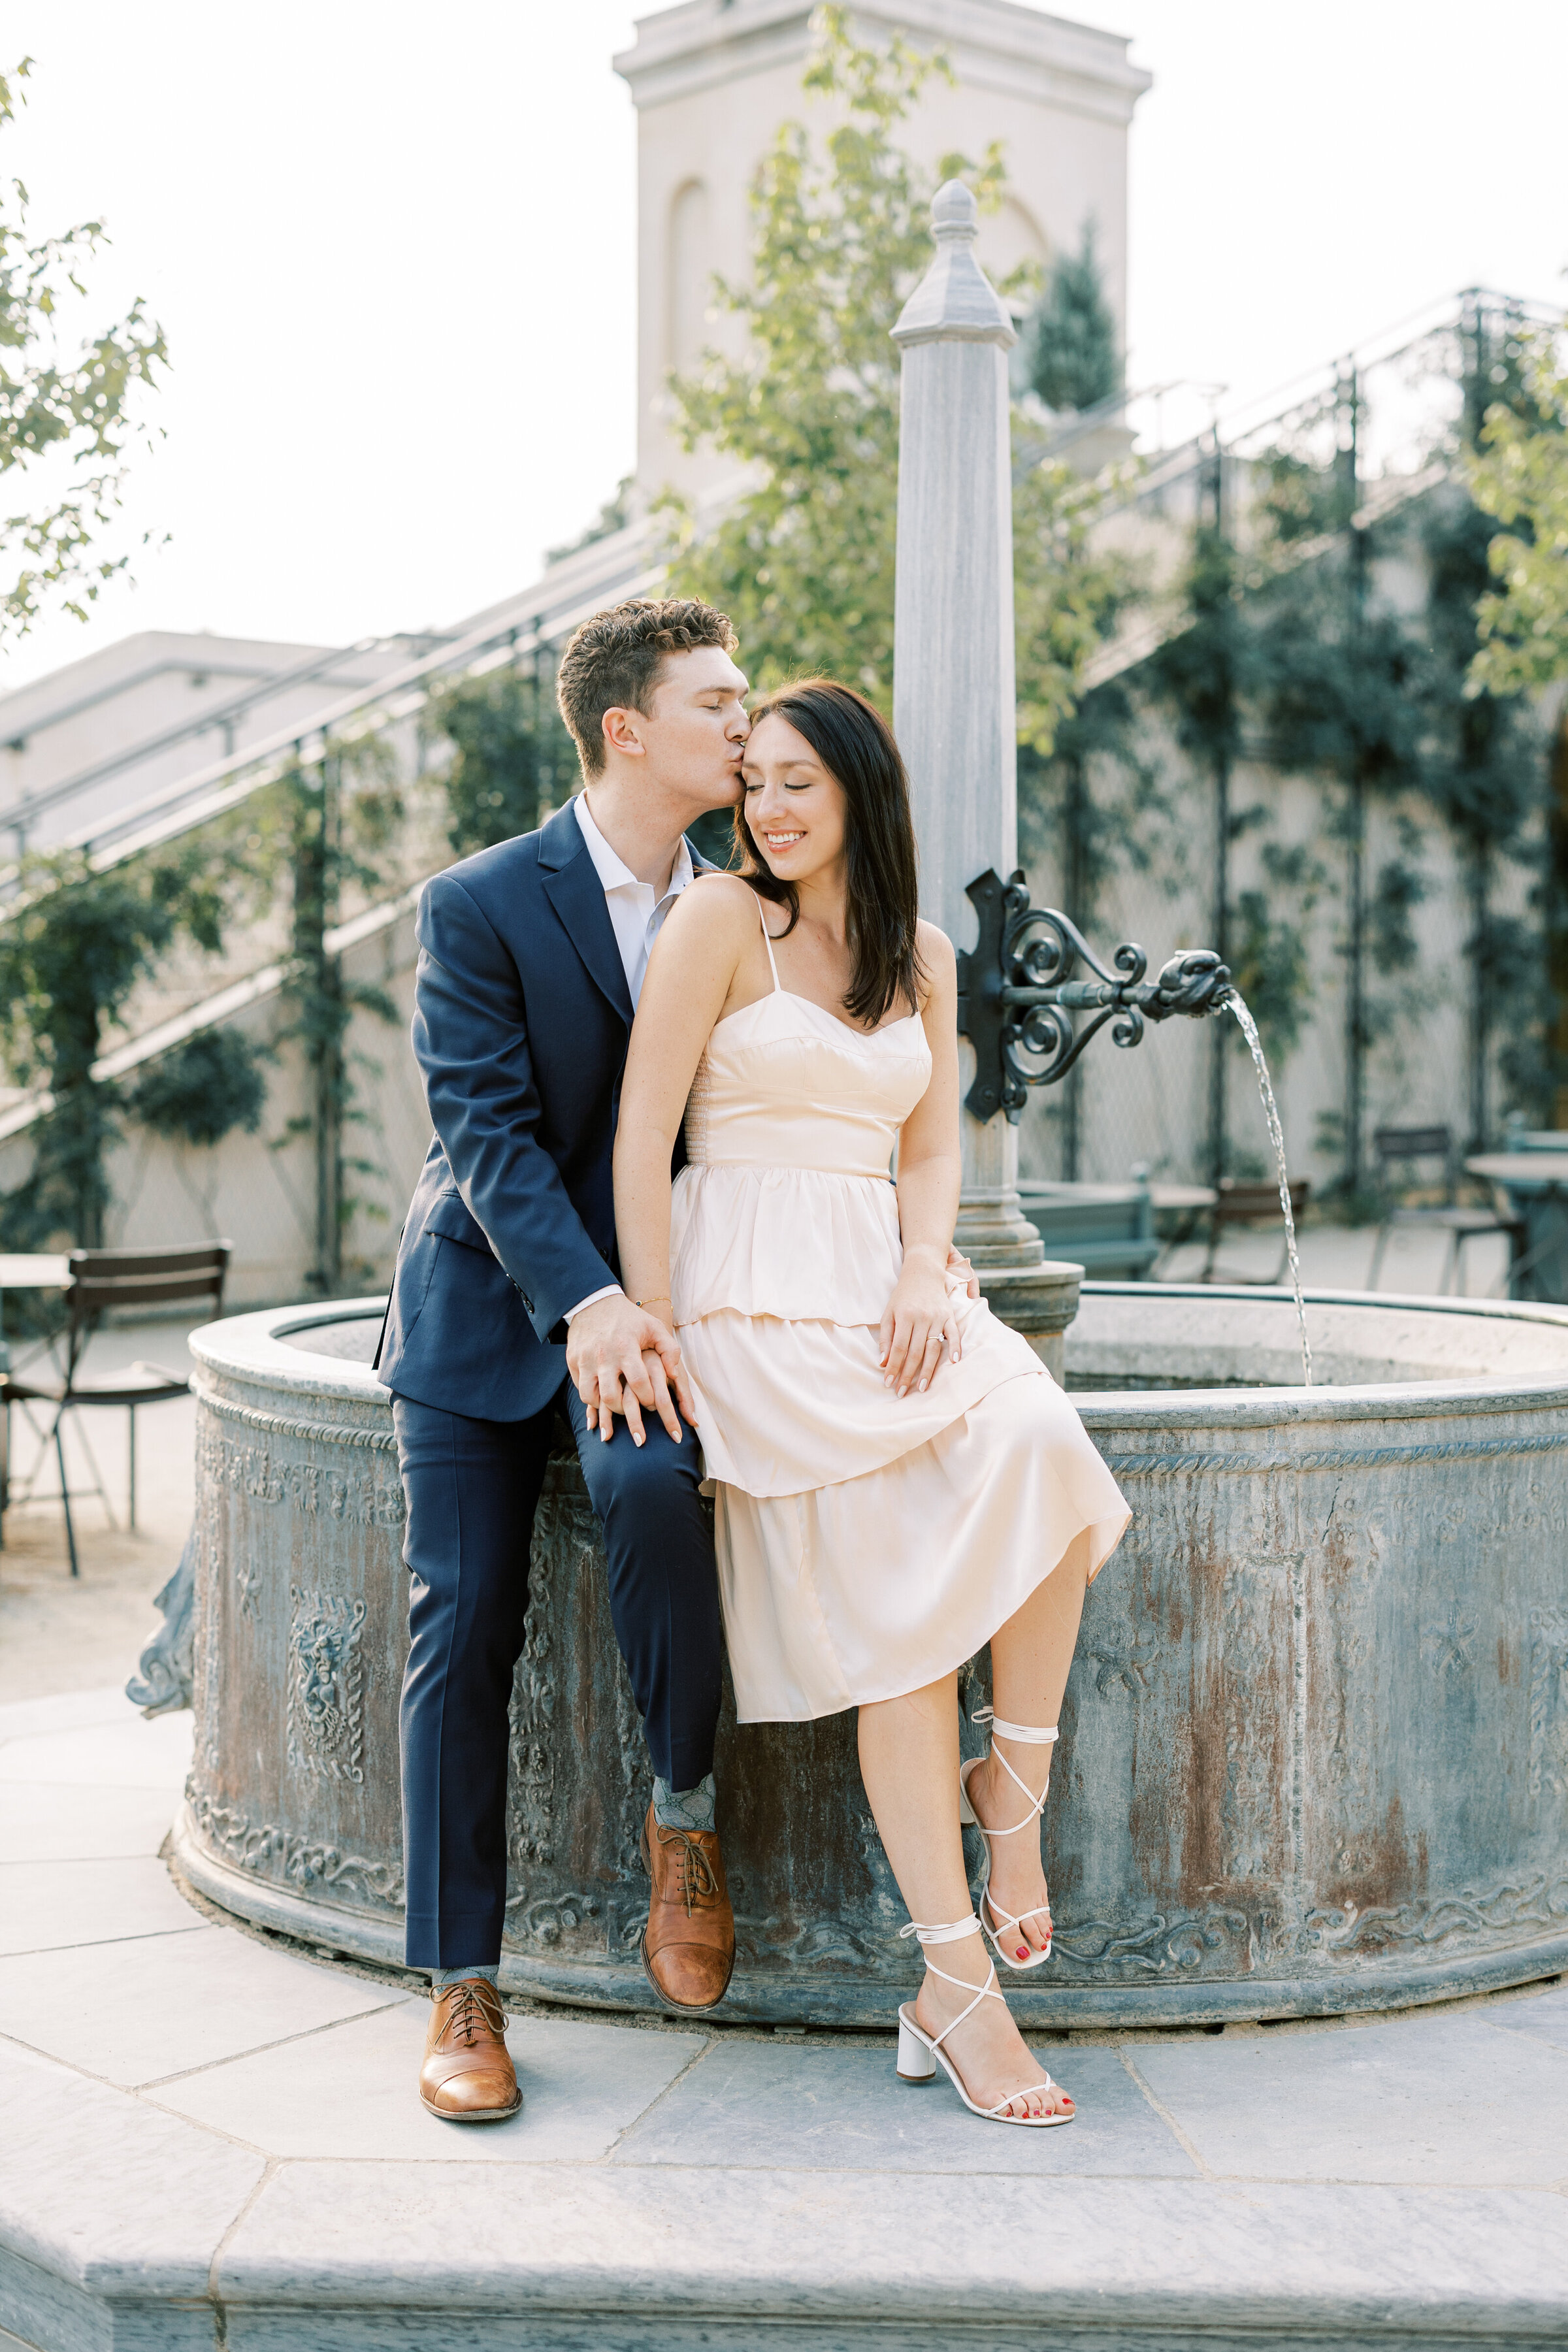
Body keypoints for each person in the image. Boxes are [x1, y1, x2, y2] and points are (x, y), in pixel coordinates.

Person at [613, 679, 1130, 2126]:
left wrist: (921, 1268)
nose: (768, 809)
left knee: (1044, 1450)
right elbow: (645, 1128)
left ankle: (1009, 1806)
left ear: (860, 793)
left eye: (799, 784)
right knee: (903, 1620)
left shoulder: (925, 953)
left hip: (882, 1281)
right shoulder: (719, 920)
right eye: (753, 783)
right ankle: (960, 1990)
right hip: (750, 1295)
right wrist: (652, 1322)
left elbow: (927, 1150)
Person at [376, 596, 753, 2122]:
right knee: (463, 1619)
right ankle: (463, 1985)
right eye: (718, 702)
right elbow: (487, 1132)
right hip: (490, 1299)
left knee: (659, 1499)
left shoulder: (745, 905)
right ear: (627, 730)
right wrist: (584, 1301)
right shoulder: (477, 902)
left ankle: (685, 1820)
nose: (747, 722)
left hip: (653, 1310)